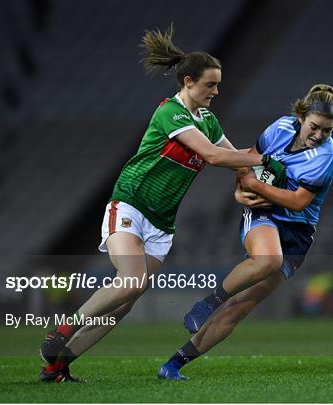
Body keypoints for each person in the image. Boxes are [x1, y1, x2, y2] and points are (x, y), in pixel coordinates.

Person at [38, 25, 284, 383]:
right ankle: (61, 332)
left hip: (162, 223)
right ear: (187, 82)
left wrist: (252, 173)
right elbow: (215, 157)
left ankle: (56, 366)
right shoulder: (170, 112)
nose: (216, 91)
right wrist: (261, 163)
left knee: (124, 304)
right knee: (132, 282)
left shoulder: (208, 121)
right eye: (209, 84)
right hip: (130, 205)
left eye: (217, 84)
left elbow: (235, 158)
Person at [158, 83, 333, 380]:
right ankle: (208, 303)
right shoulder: (280, 127)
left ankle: (173, 364)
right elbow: (247, 161)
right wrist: (240, 190)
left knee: (242, 305)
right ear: (301, 117)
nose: (319, 135)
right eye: (315, 127)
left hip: (297, 233)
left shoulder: (325, 155)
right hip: (264, 212)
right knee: (268, 259)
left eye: (327, 130)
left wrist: (256, 186)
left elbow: (298, 202)